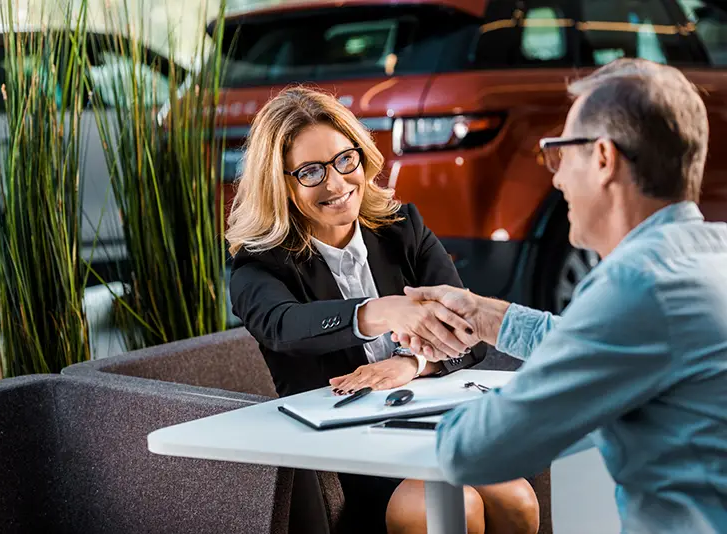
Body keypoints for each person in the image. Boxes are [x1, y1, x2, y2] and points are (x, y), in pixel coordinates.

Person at [395, 58, 727, 533]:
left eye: (560, 154)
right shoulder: (711, 255)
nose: (556, 178)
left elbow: (474, 450)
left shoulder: (638, 285)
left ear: (603, 159)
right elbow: (600, 342)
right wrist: (482, 314)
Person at [226, 87, 540, 534]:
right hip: (349, 455)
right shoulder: (258, 265)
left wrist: (410, 363)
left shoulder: (402, 229)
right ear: (281, 183)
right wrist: (382, 311)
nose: (336, 184)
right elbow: (284, 327)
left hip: (426, 424)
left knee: (516, 496)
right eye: (311, 172)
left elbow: (467, 335)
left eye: (343, 160)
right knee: (454, 507)